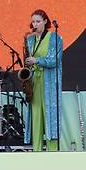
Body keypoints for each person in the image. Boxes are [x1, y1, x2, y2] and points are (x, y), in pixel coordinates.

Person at [24, 9, 63, 152]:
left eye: (38, 21)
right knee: (36, 116)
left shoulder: (55, 38)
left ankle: (53, 151)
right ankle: (37, 150)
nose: (35, 24)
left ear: (45, 21)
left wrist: (36, 60)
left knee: (50, 115)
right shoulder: (30, 39)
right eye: (33, 21)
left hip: (49, 82)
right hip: (34, 81)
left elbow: (54, 60)